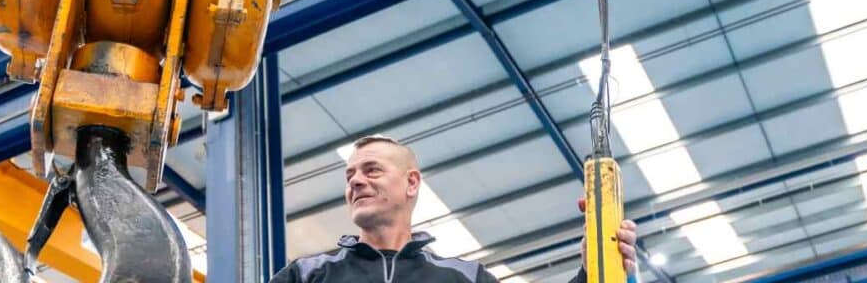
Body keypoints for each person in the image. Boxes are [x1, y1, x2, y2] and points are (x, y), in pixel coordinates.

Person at [270, 135, 638, 282]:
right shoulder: (307, 276)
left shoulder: (464, 278)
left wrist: (592, 268)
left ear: (411, 183)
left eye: (372, 170)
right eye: (350, 175)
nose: (355, 181)